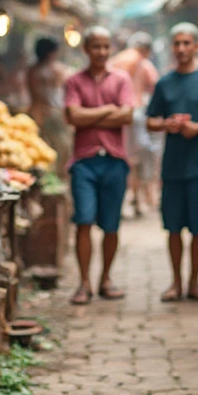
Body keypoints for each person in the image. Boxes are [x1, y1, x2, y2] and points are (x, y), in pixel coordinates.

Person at [146, 23, 198, 303]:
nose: (181, 49)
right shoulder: (164, 82)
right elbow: (150, 120)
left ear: (196, 46)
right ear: (172, 47)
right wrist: (166, 124)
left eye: (186, 43)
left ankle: (195, 282)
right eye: (177, 43)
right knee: (173, 227)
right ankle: (176, 283)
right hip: (173, 167)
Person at [63, 27, 136, 305]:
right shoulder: (74, 81)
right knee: (84, 220)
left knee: (111, 225)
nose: (102, 52)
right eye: (97, 47)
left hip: (115, 161)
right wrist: (108, 110)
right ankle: (83, 283)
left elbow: (127, 115)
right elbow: (73, 116)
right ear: (87, 49)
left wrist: (90, 116)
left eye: (106, 47)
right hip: (83, 163)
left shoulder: (122, 78)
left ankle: (105, 279)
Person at [110, 32, 162, 216]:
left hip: (117, 115)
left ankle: (132, 198)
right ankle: (137, 197)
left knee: (126, 156)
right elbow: (155, 86)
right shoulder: (140, 61)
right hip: (135, 113)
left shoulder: (116, 60)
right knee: (139, 157)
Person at [27, 37, 71, 176]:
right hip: (55, 115)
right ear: (51, 53)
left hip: (37, 113)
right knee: (60, 149)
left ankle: (47, 179)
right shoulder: (58, 70)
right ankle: (57, 179)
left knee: (41, 151)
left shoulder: (32, 71)